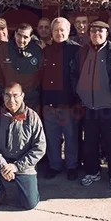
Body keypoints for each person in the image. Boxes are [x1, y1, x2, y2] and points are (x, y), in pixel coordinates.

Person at [71, 20, 111, 191]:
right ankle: (92, 172)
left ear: (107, 34)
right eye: (93, 31)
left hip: (109, 107)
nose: (96, 34)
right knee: (89, 143)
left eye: (100, 31)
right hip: (89, 106)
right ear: (89, 34)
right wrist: (79, 89)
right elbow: (73, 72)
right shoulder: (82, 52)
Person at [0, 82, 46, 211]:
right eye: (7, 95)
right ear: (3, 96)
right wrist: (3, 165)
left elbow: (39, 147)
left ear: (22, 96)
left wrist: (16, 166)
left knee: (29, 204)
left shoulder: (32, 117)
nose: (12, 100)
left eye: (16, 95)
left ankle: (26, 187)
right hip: (1, 163)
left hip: (23, 165)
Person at [40, 17, 81, 180]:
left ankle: (72, 166)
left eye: (62, 30)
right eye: (56, 30)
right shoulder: (46, 51)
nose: (59, 33)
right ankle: (55, 165)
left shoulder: (77, 51)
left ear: (69, 31)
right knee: (52, 137)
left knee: (71, 137)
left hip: (68, 103)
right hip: (49, 102)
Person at [0, 23, 44, 112]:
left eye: (25, 37)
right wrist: (3, 94)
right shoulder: (4, 49)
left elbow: (41, 74)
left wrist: (35, 92)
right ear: (15, 34)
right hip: (10, 99)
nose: (21, 40)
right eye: (19, 35)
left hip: (31, 99)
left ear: (30, 37)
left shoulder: (37, 50)